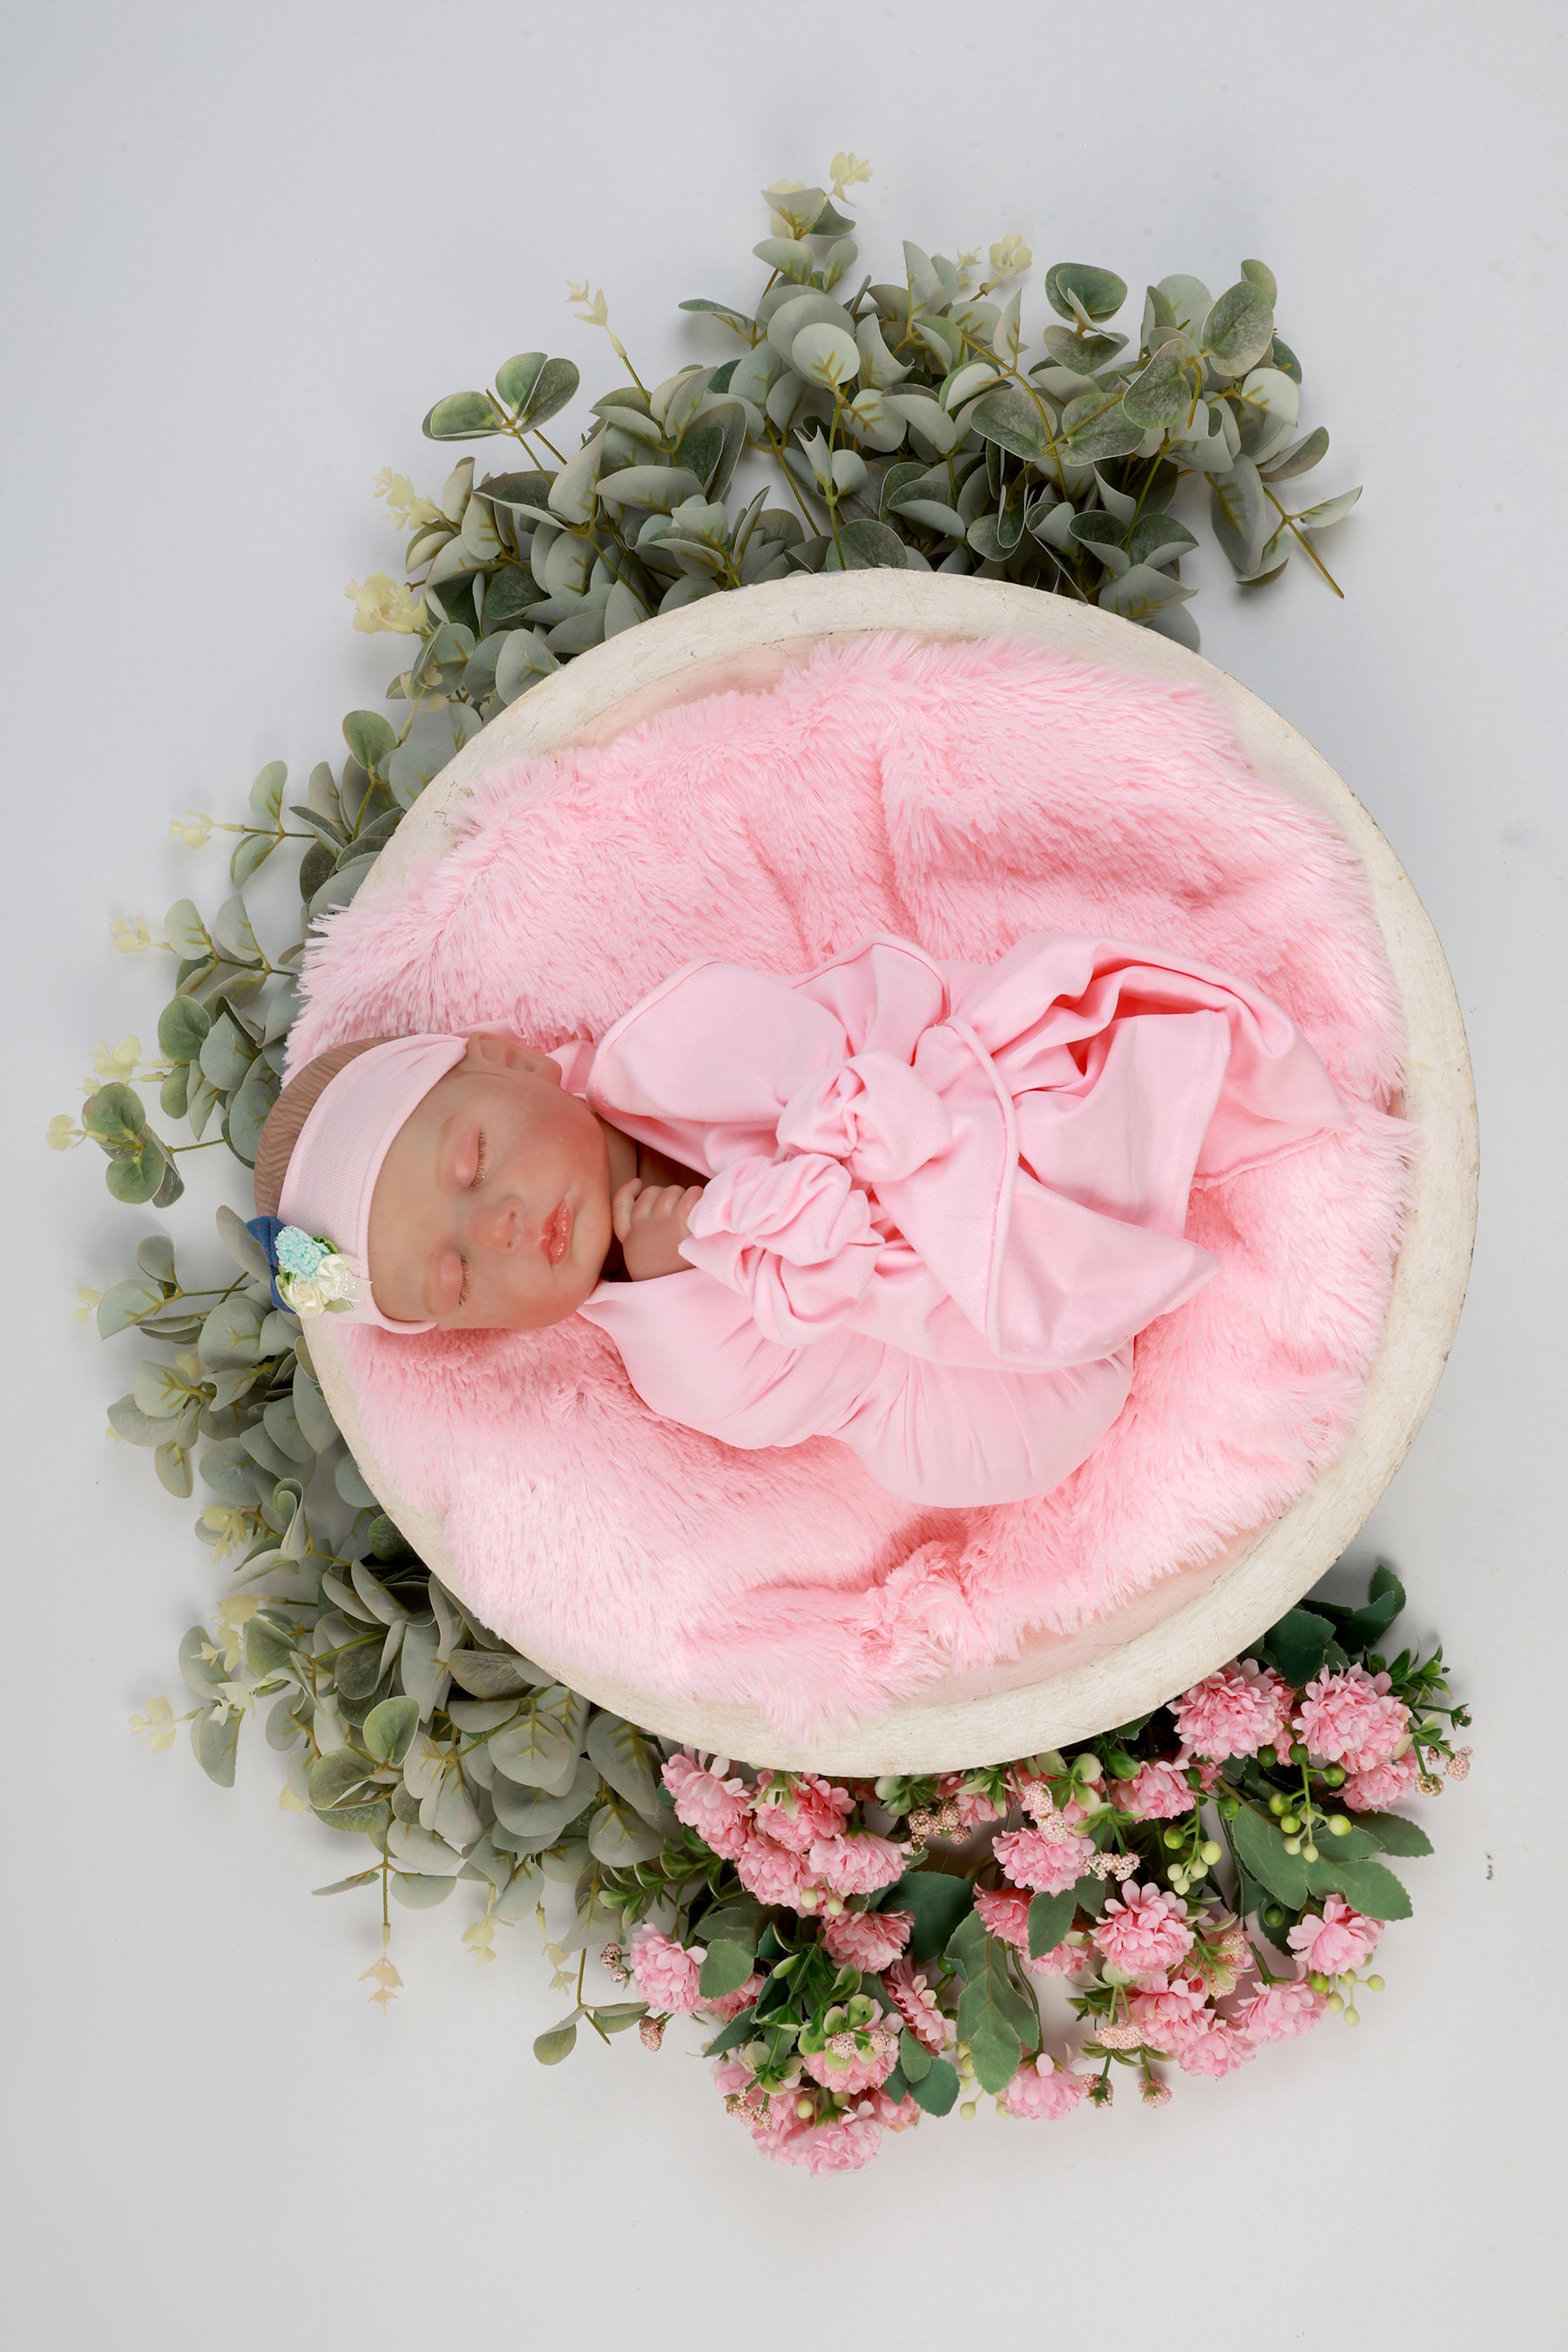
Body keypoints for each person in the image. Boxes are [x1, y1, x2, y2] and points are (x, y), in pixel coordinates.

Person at [251, 929, 1348, 1508]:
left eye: (474, 1161)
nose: (493, 1228)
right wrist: (700, 1270)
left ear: (511, 1059)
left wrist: (782, 1189)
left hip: (933, 1134)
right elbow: (800, 1383)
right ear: (488, 1330)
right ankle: (1053, 1281)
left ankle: (1086, 1205)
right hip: (957, 1388)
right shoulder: (667, 1360)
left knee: (1014, 1092)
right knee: (974, 1441)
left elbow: (847, 1042)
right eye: (455, 1279)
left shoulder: (673, 1041)